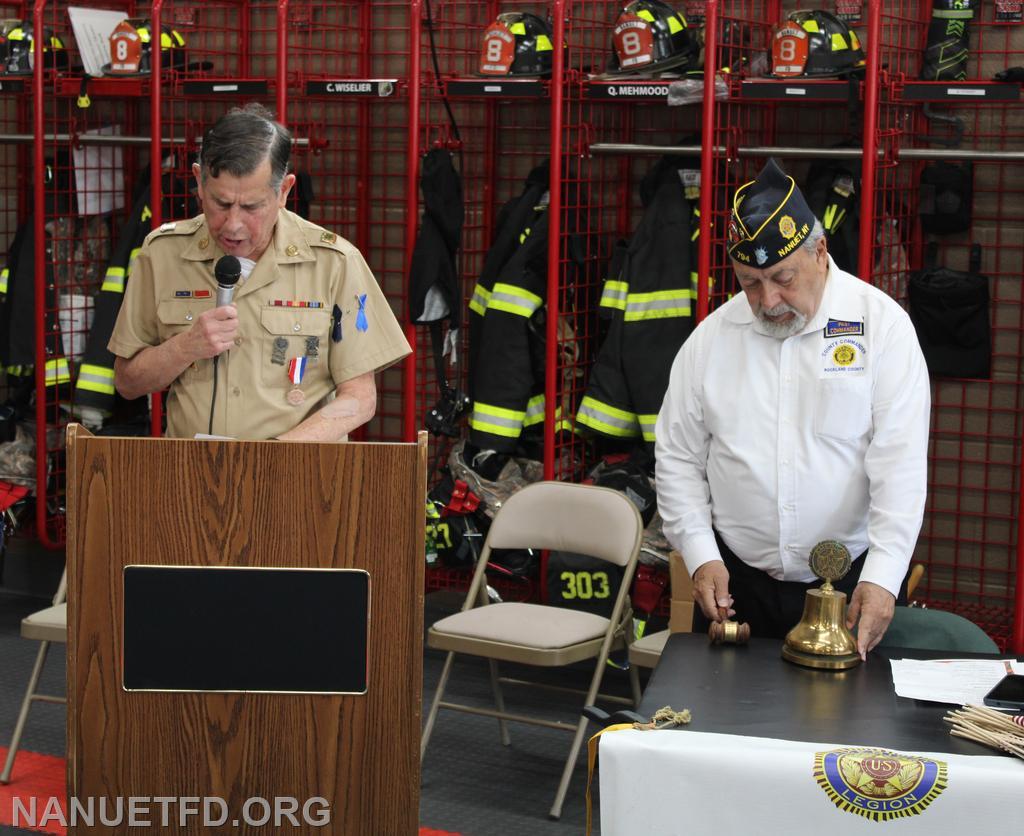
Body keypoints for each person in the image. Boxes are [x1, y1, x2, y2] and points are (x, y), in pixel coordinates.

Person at [654, 158, 930, 659]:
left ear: (820, 251)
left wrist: (886, 576)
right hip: (733, 581)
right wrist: (699, 555)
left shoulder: (883, 328)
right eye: (748, 282)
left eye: (782, 277)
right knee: (720, 729)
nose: (768, 300)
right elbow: (677, 458)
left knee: (849, 732)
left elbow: (900, 467)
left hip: (850, 579)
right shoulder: (710, 340)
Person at [109, 103, 410, 441]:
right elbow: (127, 382)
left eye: (251, 207)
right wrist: (185, 347)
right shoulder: (162, 253)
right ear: (198, 182)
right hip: (191, 479)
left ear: (284, 191)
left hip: (294, 481)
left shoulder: (334, 263)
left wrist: (276, 458)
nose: (233, 224)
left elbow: (360, 398)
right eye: (220, 203)